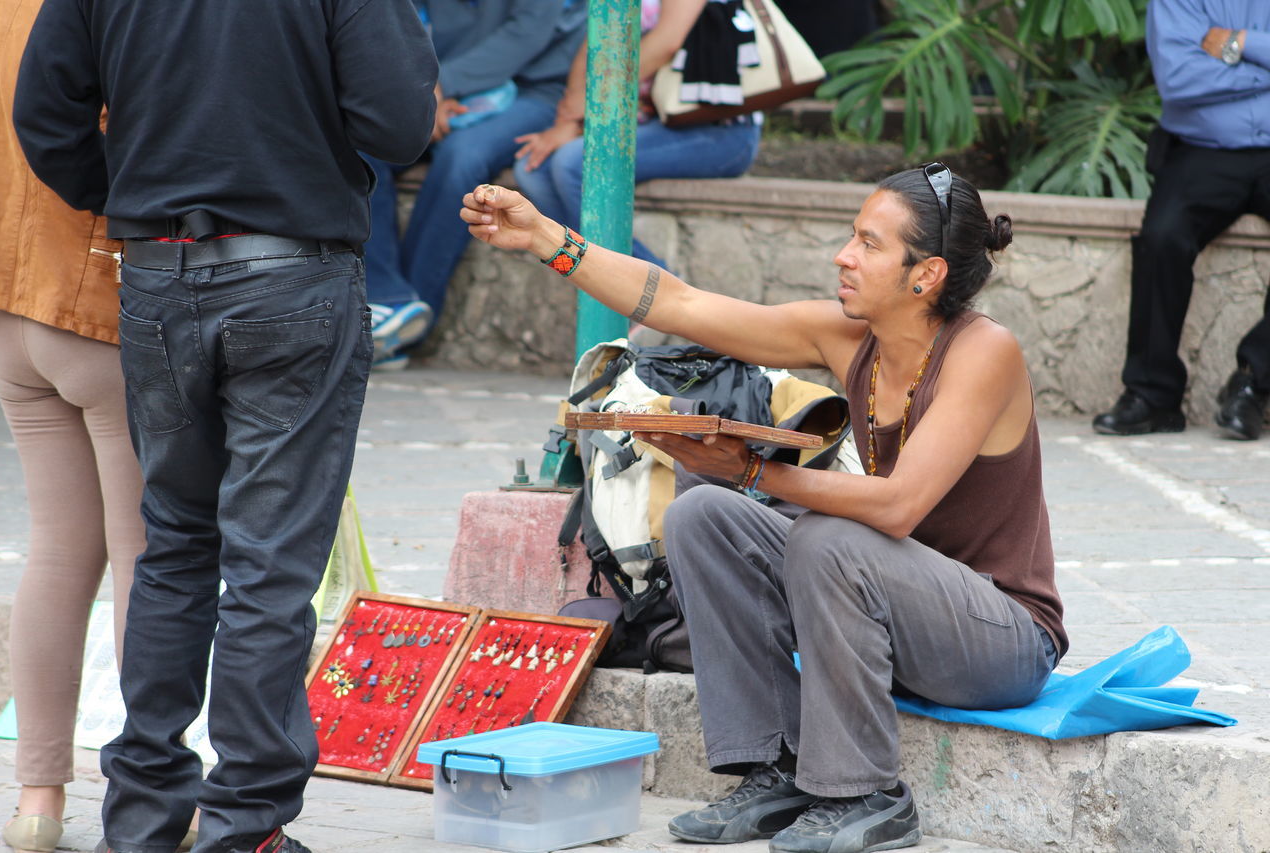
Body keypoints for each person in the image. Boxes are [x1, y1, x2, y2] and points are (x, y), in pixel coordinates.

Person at [459, 169, 1065, 853]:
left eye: (868, 243)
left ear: (925, 274)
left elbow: (896, 508)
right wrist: (546, 238)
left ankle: (867, 792)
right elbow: (680, 304)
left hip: (1001, 638)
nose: (844, 254)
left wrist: (753, 468)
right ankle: (779, 763)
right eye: (851, 237)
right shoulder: (848, 337)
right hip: (894, 613)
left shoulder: (986, 351)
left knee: (828, 536)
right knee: (703, 514)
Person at [12, 2, 437, 851]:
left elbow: (45, 113)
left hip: (160, 275)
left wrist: (137, 188)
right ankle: (243, 826)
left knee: (173, 545)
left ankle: (143, 818)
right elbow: (397, 125)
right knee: (267, 566)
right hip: (292, 275)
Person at [0, 4, 143, 851]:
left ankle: (37, 800)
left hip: (7, 304)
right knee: (145, 557)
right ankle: (152, 790)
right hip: (99, 299)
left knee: (56, 549)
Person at [362, 0, 587, 366]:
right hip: (446, 88)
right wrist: (422, 89)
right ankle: (390, 299)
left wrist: (441, 85)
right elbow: (405, 25)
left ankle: (411, 321)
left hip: (532, 89)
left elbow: (524, 34)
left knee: (462, 158)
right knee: (363, 145)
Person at [1093, 0, 1270, 440]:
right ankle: (1153, 397)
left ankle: (1254, 382)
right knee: (1162, 236)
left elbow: (1205, 70)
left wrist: (1238, 43)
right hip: (1201, 150)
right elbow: (1178, 80)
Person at [513, 0, 762, 271]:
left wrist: (589, 107)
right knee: (533, 169)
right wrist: (570, 119)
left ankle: (659, 295)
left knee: (574, 164)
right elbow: (595, 42)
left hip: (719, 129)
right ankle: (592, 279)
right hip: (650, 122)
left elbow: (668, 41)